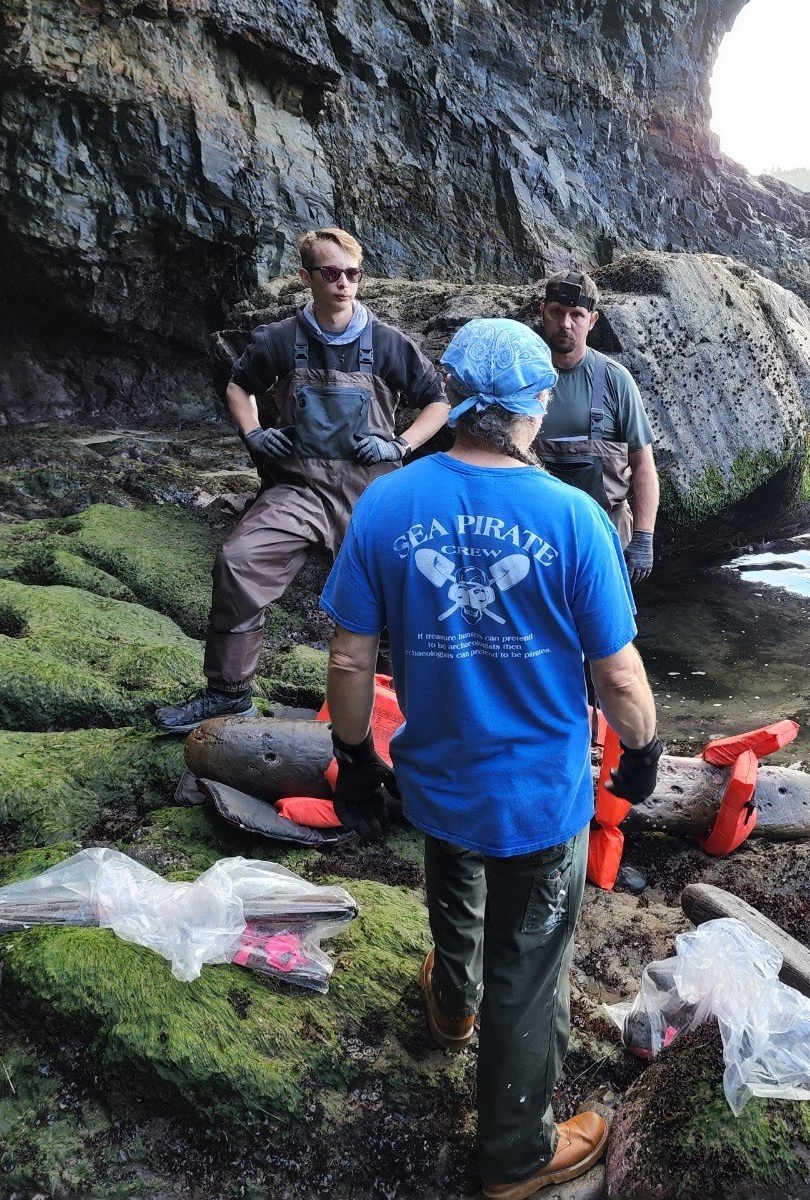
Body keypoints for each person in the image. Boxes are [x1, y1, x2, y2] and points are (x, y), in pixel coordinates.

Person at [318, 318, 663, 1199]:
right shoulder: (574, 517)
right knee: (534, 959)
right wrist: (646, 750)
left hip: (436, 773)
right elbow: (618, 672)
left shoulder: (388, 504)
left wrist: (355, 758)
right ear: (524, 407)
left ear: (461, 397)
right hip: (540, 791)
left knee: (454, 873)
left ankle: (453, 1003)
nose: (550, 400)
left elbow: (351, 659)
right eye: (544, 391)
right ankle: (514, 1154)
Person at [154, 227, 449, 732]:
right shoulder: (280, 339)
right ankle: (228, 693)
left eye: (352, 274)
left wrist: (398, 445)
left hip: (374, 492)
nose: (343, 284)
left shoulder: (387, 342)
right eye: (331, 273)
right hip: (301, 489)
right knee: (239, 561)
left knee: (399, 594)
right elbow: (238, 386)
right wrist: (254, 434)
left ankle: (400, 713)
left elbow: (438, 402)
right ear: (306, 277)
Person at [535, 270, 661, 583]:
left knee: (607, 629)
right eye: (557, 313)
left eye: (576, 315)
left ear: (592, 321)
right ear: (543, 312)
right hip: (534, 529)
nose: (565, 323)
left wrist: (644, 536)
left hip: (606, 528)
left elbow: (643, 464)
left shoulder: (615, 380)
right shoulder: (522, 375)